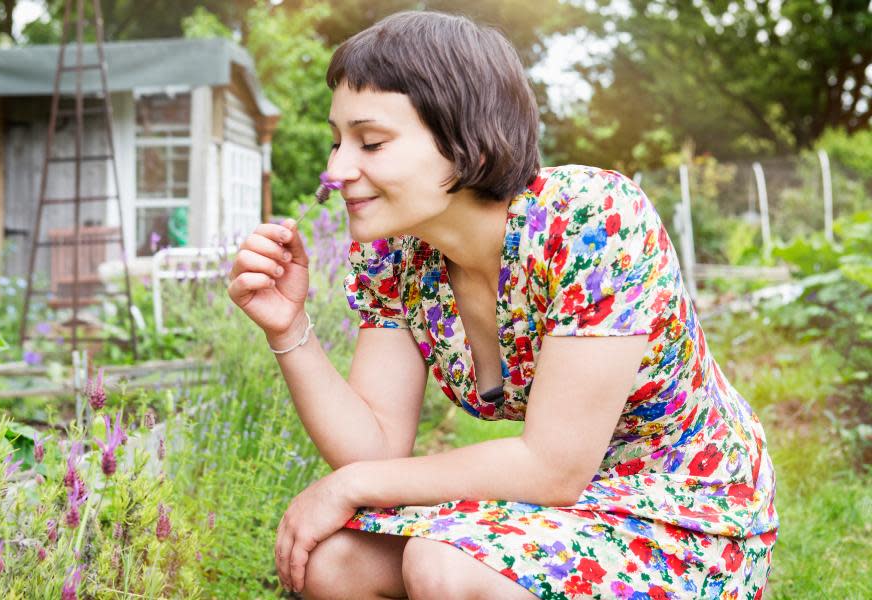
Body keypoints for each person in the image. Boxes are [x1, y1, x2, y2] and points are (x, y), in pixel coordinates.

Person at [227, 10, 777, 599]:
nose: (336, 170)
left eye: (372, 142)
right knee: (332, 563)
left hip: (679, 512)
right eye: (338, 142)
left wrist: (348, 486)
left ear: (466, 141)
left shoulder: (590, 218)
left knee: (443, 568)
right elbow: (377, 449)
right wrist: (290, 330)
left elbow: (552, 467)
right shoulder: (397, 254)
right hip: (559, 509)